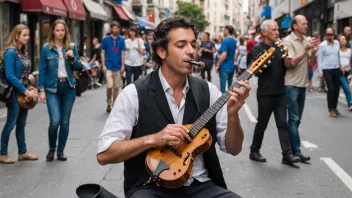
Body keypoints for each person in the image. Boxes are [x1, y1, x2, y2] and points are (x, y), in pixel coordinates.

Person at [96, 16, 250, 198]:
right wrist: (152, 139)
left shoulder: (209, 91)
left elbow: (234, 149)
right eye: (181, 45)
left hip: (201, 185)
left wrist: (233, 116)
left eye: (193, 44)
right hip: (150, 186)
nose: (191, 51)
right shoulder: (133, 94)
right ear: (161, 51)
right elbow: (104, 155)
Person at [249, 20, 300, 164]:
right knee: (262, 124)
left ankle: (287, 154)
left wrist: (290, 57)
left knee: (282, 124)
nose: (277, 32)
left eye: (277, 29)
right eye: (274, 30)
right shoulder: (258, 47)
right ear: (264, 32)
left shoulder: (280, 46)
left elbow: (288, 66)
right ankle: (254, 151)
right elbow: (257, 71)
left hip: (280, 92)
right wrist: (266, 61)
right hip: (265, 92)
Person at [39, 20, 83, 161]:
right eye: (57, 30)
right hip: (52, 88)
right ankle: (52, 148)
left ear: (66, 32)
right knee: (55, 121)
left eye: (62, 30)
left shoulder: (71, 47)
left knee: (64, 122)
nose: (60, 33)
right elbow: (42, 70)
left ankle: (60, 151)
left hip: (68, 88)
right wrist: (41, 90)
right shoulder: (46, 48)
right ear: (53, 31)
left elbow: (79, 67)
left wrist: (72, 57)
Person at [283, 15, 319, 162]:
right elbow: (289, 63)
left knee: (296, 120)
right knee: (293, 119)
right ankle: (295, 152)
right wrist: (306, 49)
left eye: (307, 23)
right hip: (291, 84)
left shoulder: (306, 40)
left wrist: (314, 54)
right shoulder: (288, 41)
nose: (306, 26)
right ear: (295, 26)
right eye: (303, 24)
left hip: (302, 84)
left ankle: (290, 152)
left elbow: (310, 62)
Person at [0, 24, 38, 164]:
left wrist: (30, 77)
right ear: (16, 36)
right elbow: (10, 75)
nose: (27, 38)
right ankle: (2, 153)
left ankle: (22, 152)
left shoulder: (23, 52)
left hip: (23, 93)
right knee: (10, 123)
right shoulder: (11, 52)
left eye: (28, 35)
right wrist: (25, 90)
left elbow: (23, 72)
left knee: (21, 124)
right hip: (14, 93)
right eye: (24, 35)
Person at [101, 21, 126, 113]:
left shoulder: (122, 39)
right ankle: (109, 103)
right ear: (111, 29)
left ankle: (114, 104)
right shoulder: (106, 39)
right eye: (113, 28)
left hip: (118, 66)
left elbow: (123, 53)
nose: (115, 30)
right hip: (108, 65)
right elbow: (102, 52)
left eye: (117, 28)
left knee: (116, 87)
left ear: (119, 29)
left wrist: (123, 66)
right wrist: (103, 64)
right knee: (109, 85)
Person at [317, 28, 342, 117]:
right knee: (330, 89)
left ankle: (335, 108)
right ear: (325, 35)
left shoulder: (337, 43)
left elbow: (339, 56)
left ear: (334, 35)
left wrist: (341, 66)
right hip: (326, 69)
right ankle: (330, 109)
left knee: (337, 89)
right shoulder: (322, 45)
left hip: (336, 68)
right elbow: (319, 58)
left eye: (331, 34)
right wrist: (320, 71)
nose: (329, 36)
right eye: (327, 34)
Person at [215, 26, 237, 93]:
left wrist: (218, 65)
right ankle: (230, 102)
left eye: (224, 30)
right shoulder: (234, 41)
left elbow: (224, 55)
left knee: (223, 89)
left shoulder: (225, 41)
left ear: (227, 31)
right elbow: (235, 53)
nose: (223, 31)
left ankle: (224, 103)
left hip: (224, 67)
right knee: (230, 88)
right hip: (231, 66)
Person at [338, 35, 352, 111]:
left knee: (346, 88)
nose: (343, 40)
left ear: (346, 41)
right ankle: (350, 103)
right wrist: (340, 67)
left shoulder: (350, 50)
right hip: (340, 72)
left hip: (349, 71)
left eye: (344, 39)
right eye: (341, 39)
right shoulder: (337, 51)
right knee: (346, 87)